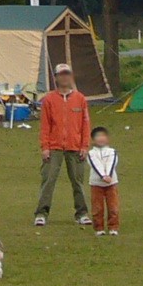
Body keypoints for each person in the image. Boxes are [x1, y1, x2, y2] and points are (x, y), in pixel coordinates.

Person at [34, 63, 92, 227]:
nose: (65, 77)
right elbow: (45, 125)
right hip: (54, 147)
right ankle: (41, 213)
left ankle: (81, 213)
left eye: (67, 74)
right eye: (61, 74)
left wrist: (84, 146)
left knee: (78, 181)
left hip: (75, 147)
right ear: (56, 77)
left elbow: (85, 124)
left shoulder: (80, 99)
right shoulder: (49, 100)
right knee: (48, 180)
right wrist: (45, 147)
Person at [87, 126, 120, 236]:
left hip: (111, 183)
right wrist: (103, 176)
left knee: (113, 207)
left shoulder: (112, 151)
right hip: (96, 184)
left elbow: (112, 163)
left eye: (103, 136)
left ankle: (113, 227)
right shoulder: (91, 153)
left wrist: (108, 176)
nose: (101, 139)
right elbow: (95, 164)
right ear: (93, 139)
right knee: (97, 207)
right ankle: (99, 228)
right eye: (98, 136)